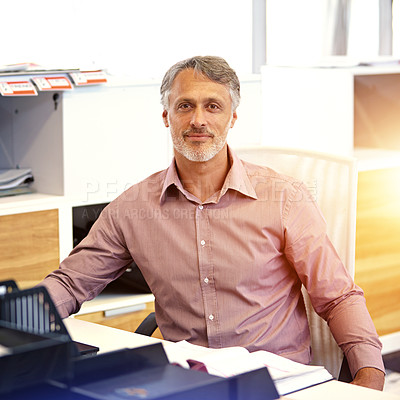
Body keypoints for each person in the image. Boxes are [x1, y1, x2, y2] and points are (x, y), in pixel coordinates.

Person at [40, 56, 385, 391]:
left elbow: (338, 297)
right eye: (185, 106)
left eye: (213, 107)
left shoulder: (284, 198)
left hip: (277, 382)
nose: (198, 120)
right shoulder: (132, 208)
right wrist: (20, 324)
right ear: (166, 116)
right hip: (188, 383)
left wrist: (370, 375)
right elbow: (71, 283)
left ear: (233, 117)